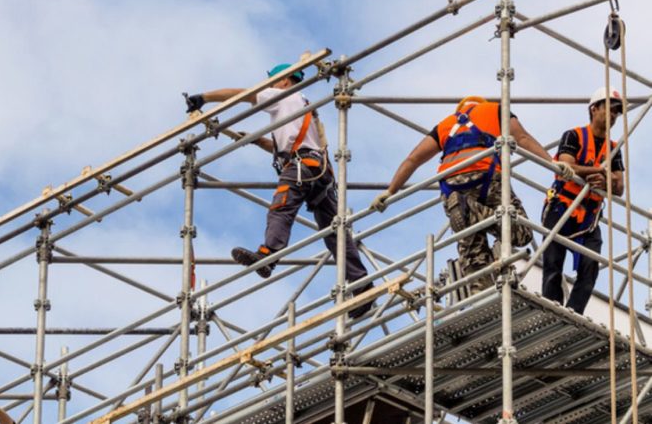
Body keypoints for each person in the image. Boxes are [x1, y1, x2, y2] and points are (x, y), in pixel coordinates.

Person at [185, 63, 374, 319]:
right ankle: (362, 286)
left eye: (273, 82)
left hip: (300, 168)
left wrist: (204, 98)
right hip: (319, 172)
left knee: (281, 208)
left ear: (285, 80)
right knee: (335, 234)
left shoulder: (282, 96)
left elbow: (244, 94)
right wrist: (257, 140)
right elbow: (289, 146)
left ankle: (268, 255)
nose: (270, 87)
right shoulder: (303, 105)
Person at [370, 96, 574, 293]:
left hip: (451, 188)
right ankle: (469, 210)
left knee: (473, 255)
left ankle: (481, 293)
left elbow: (413, 158)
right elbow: (522, 137)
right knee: (522, 233)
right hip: (487, 178)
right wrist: (551, 163)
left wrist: (390, 191)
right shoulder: (495, 110)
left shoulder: (445, 125)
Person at [541, 86, 625, 315]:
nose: (614, 115)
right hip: (562, 207)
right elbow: (565, 167)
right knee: (553, 265)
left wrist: (605, 180)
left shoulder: (614, 148)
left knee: (590, 267)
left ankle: (573, 313)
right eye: (610, 109)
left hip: (589, 215)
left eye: (617, 112)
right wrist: (596, 170)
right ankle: (551, 312)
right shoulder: (574, 135)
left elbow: (619, 187)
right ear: (594, 108)